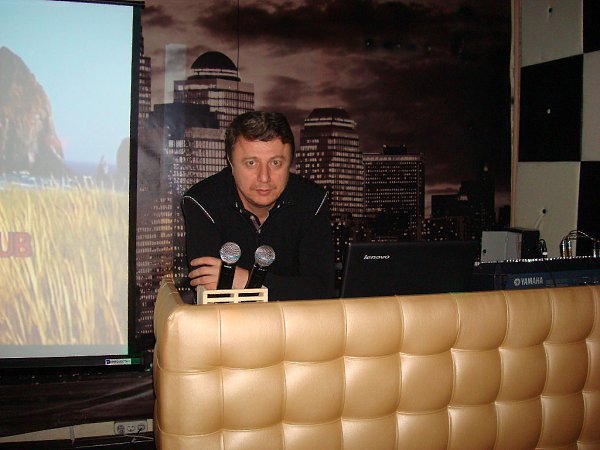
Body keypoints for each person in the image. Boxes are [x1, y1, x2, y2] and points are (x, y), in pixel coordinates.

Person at [181, 111, 335, 300]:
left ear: (290, 163)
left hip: (296, 319)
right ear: (231, 162)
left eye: (276, 163)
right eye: (251, 163)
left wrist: (246, 280)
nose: (264, 177)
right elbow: (212, 294)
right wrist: (281, 288)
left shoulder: (312, 201)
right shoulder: (202, 202)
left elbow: (322, 291)